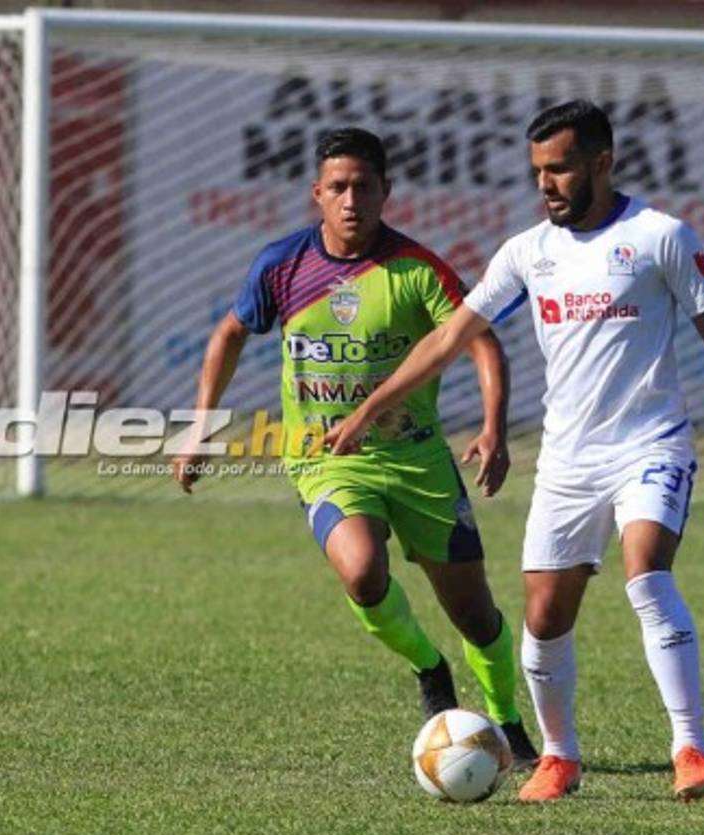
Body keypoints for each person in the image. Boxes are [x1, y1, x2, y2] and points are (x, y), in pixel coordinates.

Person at [324, 100, 704, 803]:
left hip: (651, 444)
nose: (546, 185)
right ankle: (558, 758)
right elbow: (448, 338)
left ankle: (691, 750)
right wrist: (374, 405)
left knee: (645, 573)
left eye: (559, 169)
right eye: (537, 172)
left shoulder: (659, 236)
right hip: (567, 460)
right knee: (543, 617)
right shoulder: (529, 252)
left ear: (601, 163)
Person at [171, 127, 537, 766]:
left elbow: (480, 340)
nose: (350, 200)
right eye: (337, 187)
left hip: (418, 460)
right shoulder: (282, 265)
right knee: (364, 571)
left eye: (363, 187)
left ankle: (507, 723)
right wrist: (203, 422)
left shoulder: (416, 269)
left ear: (385, 191)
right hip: (326, 461)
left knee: (477, 617)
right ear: (317, 194)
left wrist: (493, 425)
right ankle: (429, 669)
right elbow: (230, 334)